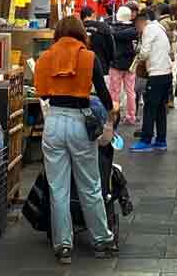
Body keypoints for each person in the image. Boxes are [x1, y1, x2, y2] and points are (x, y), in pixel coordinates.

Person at [34, 15, 119, 265]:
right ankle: (102, 240)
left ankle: (63, 246)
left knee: (58, 188)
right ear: (82, 33)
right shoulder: (89, 57)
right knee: (90, 185)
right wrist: (111, 113)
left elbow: (42, 91)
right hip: (80, 123)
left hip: (54, 122)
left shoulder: (46, 57)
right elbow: (103, 95)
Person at [129, 10, 172, 152]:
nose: (137, 30)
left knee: (150, 108)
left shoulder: (148, 29)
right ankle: (161, 140)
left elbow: (145, 52)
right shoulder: (159, 28)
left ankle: (146, 140)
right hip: (166, 73)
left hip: (156, 74)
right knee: (160, 108)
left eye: (136, 26)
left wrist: (138, 57)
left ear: (141, 22)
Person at [108, 5, 140, 126]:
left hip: (115, 64)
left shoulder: (111, 29)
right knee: (130, 91)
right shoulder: (134, 30)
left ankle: (113, 115)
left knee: (114, 92)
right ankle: (131, 116)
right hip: (130, 65)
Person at [80, 5, 116, 73]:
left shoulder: (77, 28)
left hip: (82, 68)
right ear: (93, 15)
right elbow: (111, 46)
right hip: (102, 66)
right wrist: (111, 60)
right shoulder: (104, 26)